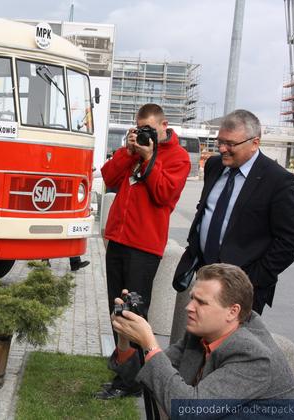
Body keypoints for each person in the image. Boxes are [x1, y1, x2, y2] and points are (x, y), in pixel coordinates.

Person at [104, 264, 294, 416]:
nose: (189, 307)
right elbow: (142, 378)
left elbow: (188, 410)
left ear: (233, 311)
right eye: (192, 298)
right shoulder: (201, 333)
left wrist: (149, 343)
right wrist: (125, 337)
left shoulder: (253, 356)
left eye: (201, 302)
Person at [98, 103, 190, 398]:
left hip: (144, 245)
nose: (145, 134)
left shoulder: (178, 157)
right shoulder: (133, 150)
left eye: (149, 129)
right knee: (117, 309)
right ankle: (126, 375)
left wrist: (150, 157)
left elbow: (164, 193)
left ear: (164, 125)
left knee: (134, 312)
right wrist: (128, 151)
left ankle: (133, 382)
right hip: (119, 240)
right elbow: (109, 178)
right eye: (140, 129)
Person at [174, 109, 294, 314]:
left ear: (255, 143)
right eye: (220, 142)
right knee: (195, 341)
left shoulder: (277, 180)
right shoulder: (214, 165)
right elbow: (205, 210)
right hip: (205, 277)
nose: (223, 149)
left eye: (231, 144)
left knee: (230, 346)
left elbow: (290, 241)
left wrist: (250, 280)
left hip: (242, 290)